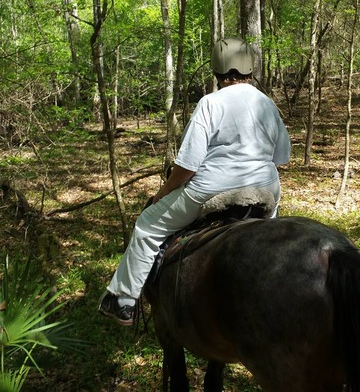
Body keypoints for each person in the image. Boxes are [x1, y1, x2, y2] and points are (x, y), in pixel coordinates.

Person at [99, 37, 291, 325]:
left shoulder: (210, 103)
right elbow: (282, 157)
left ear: (217, 70)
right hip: (265, 190)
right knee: (274, 235)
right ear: (251, 67)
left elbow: (187, 166)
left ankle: (123, 300)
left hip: (213, 189)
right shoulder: (267, 104)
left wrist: (162, 192)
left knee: (148, 226)